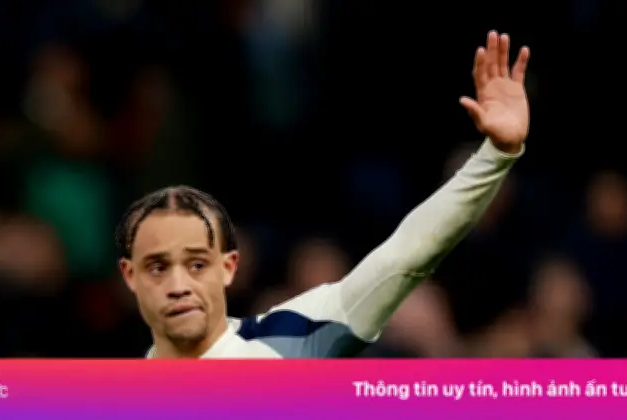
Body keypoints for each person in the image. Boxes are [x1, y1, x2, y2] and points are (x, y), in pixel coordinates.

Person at [115, 31, 531, 358]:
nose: (179, 285)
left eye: (196, 263)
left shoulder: (289, 340)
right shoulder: (106, 398)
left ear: (228, 267)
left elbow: (406, 254)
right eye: (157, 266)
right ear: (130, 277)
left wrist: (495, 155)